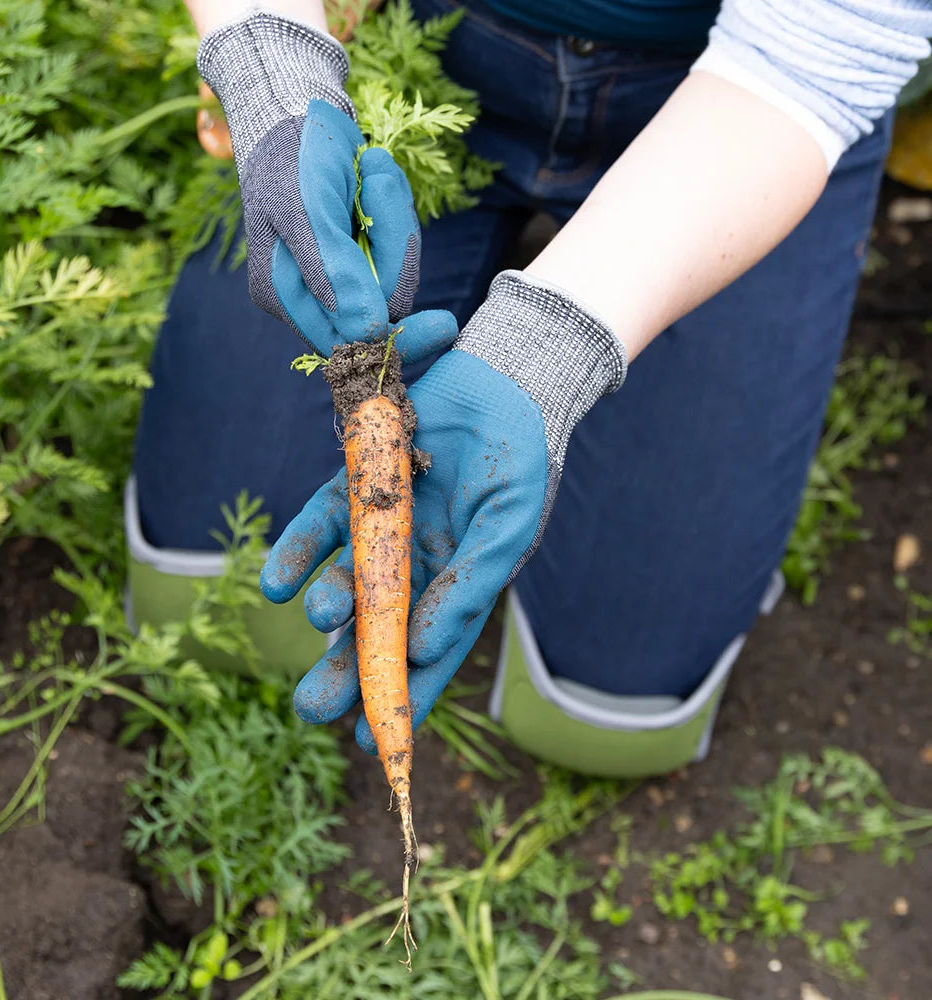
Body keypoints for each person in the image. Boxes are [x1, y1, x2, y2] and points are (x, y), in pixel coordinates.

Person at [128, 0, 932, 776]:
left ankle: (542, 305)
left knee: (609, 709)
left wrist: (547, 346)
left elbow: (823, 46)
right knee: (201, 592)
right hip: (435, 40)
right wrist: (273, 66)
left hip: (751, 108)